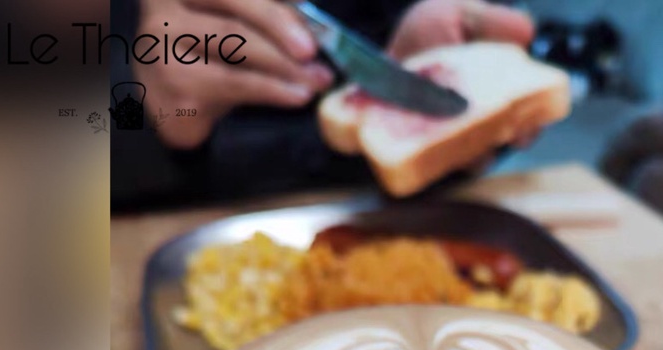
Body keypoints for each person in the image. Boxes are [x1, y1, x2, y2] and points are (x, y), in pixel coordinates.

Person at [110, 0, 536, 210]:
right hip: (146, 228)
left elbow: (496, 50)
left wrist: (461, 75)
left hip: (392, 218)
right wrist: (133, 103)